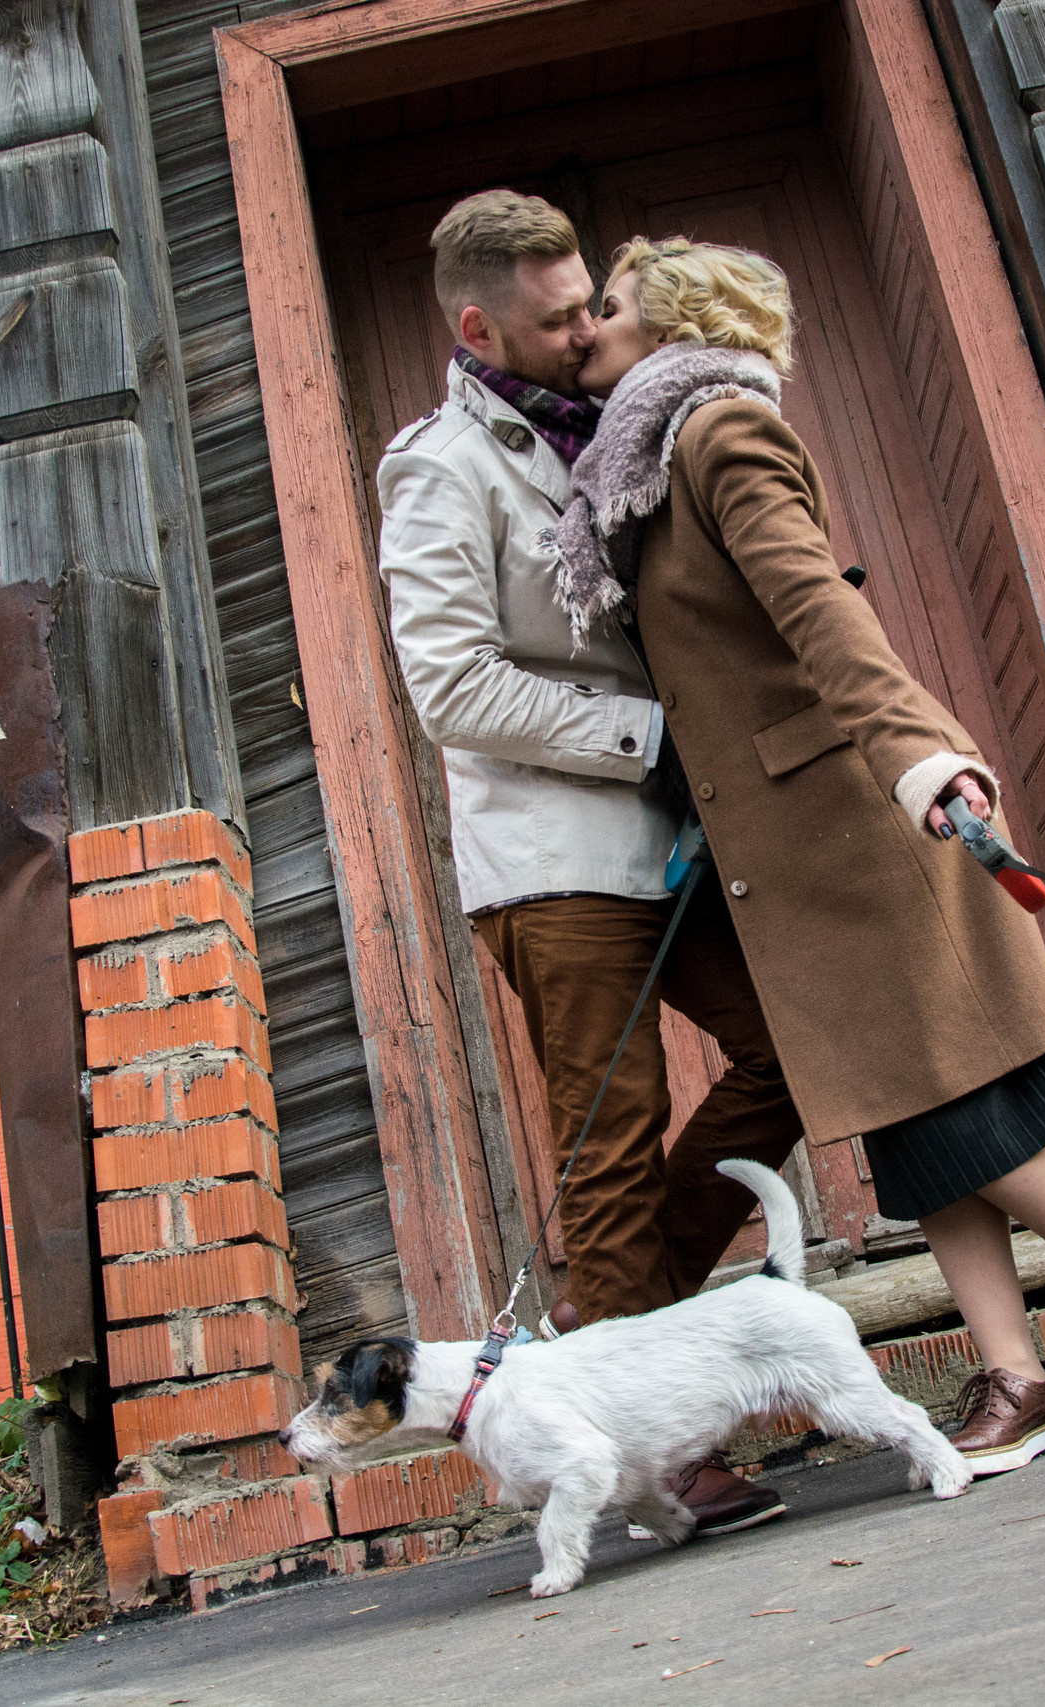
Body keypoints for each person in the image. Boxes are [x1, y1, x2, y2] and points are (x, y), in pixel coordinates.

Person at [550, 237, 1045, 1474]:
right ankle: (1018, 1374)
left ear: (680, 320)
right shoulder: (635, 471)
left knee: (954, 1099)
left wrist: (920, 753)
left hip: (858, 823)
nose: (587, 327)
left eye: (611, 305)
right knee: (913, 1121)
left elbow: (816, 603)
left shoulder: (714, 434)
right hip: (793, 854)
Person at [374, 192, 800, 1532]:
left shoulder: (620, 426)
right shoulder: (441, 466)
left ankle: (612, 1313)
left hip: (677, 831)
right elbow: (450, 686)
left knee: (797, 1040)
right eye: (553, 318)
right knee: (609, 1142)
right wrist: (645, 732)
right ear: (476, 323)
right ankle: (659, 1451)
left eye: (584, 308)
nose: (578, 334)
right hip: (556, 856)